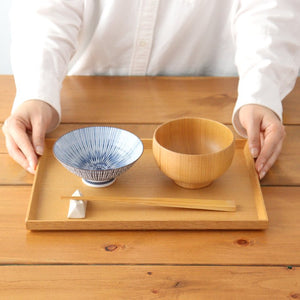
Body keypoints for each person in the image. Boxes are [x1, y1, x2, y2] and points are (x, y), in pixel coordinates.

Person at [2, 0, 300, 179]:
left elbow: (267, 10)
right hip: (84, 99)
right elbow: (46, 12)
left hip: (214, 105)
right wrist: (36, 90)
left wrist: (261, 93)